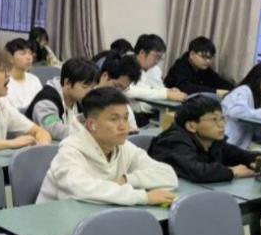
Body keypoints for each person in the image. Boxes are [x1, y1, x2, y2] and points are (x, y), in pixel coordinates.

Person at [37, 88, 177, 206]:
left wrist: (127, 179)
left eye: (125, 118)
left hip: (96, 217)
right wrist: (143, 197)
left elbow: (168, 176)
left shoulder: (123, 147)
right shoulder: (69, 151)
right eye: (114, 119)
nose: (123, 126)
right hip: (53, 224)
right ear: (92, 124)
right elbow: (82, 189)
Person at [149, 95, 261, 183]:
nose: (222, 125)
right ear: (191, 126)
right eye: (214, 120)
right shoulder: (173, 141)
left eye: (222, 118)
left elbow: (243, 156)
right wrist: (232, 172)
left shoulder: (213, 142)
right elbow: (197, 171)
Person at [27, 57, 100, 141]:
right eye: (85, 86)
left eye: (93, 87)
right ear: (67, 83)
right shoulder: (46, 101)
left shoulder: (79, 98)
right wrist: (90, 133)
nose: (90, 91)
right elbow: (54, 130)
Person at [222, 62, 261, 149]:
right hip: (227, 143)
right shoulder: (243, 91)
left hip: (240, 145)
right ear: (257, 79)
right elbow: (236, 112)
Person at [164, 36, 234, 95]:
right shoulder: (180, 66)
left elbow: (218, 81)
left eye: (210, 57)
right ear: (192, 54)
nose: (208, 61)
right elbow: (186, 88)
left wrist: (234, 89)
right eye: (204, 57)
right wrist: (216, 92)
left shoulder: (204, 69)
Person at [97, 54, 142, 131]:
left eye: (123, 89)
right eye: (117, 86)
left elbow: (134, 131)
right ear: (105, 76)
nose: (118, 92)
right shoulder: (85, 100)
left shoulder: (125, 107)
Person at [5, 38, 41, 111]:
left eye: (30, 53)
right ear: (10, 57)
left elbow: (41, 104)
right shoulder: (3, 81)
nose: (29, 57)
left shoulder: (34, 79)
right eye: (23, 53)